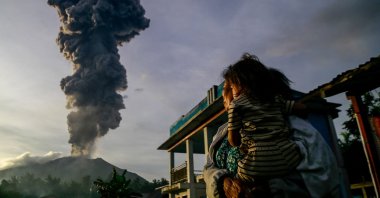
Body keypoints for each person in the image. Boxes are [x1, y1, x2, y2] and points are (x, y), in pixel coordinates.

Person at [203, 53, 341, 198]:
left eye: (229, 87)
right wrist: (223, 183)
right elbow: (209, 167)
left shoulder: (294, 127)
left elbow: (325, 180)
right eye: (226, 88)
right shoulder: (222, 131)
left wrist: (270, 190)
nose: (224, 95)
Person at [223, 54, 302, 182]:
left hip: (257, 164)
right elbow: (298, 107)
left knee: (238, 178)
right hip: (289, 159)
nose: (231, 90)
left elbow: (233, 141)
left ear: (240, 84)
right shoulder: (275, 99)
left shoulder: (236, 105)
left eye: (232, 86)